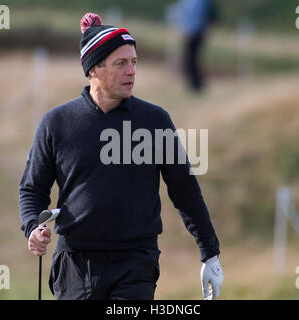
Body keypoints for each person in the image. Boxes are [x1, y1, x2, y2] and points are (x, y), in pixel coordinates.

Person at [19, 12, 223, 300]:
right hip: (74, 265)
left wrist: (210, 253)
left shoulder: (154, 121)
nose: (132, 71)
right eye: (121, 63)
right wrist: (33, 226)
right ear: (93, 69)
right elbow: (32, 189)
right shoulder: (56, 123)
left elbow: (184, 190)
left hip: (135, 264)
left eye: (134, 62)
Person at [176, 0, 215, 92]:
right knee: (191, 59)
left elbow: (195, 16)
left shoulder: (197, 2)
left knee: (191, 59)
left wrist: (188, 30)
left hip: (194, 33)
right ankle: (195, 84)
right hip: (196, 33)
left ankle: (196, 85)